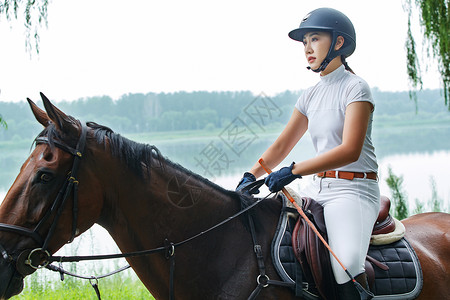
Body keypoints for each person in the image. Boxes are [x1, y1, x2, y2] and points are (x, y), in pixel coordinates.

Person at [236, 7, 380, 300]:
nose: (307, 49)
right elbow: (280, 147)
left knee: (347, 265)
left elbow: (349, 150)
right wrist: (252, 174)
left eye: (314, 39)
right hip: (319, 189)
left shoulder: (356, 88)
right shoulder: (310, 95)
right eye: (304, 43)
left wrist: (293, 170)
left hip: (353, 191)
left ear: (338, 43)